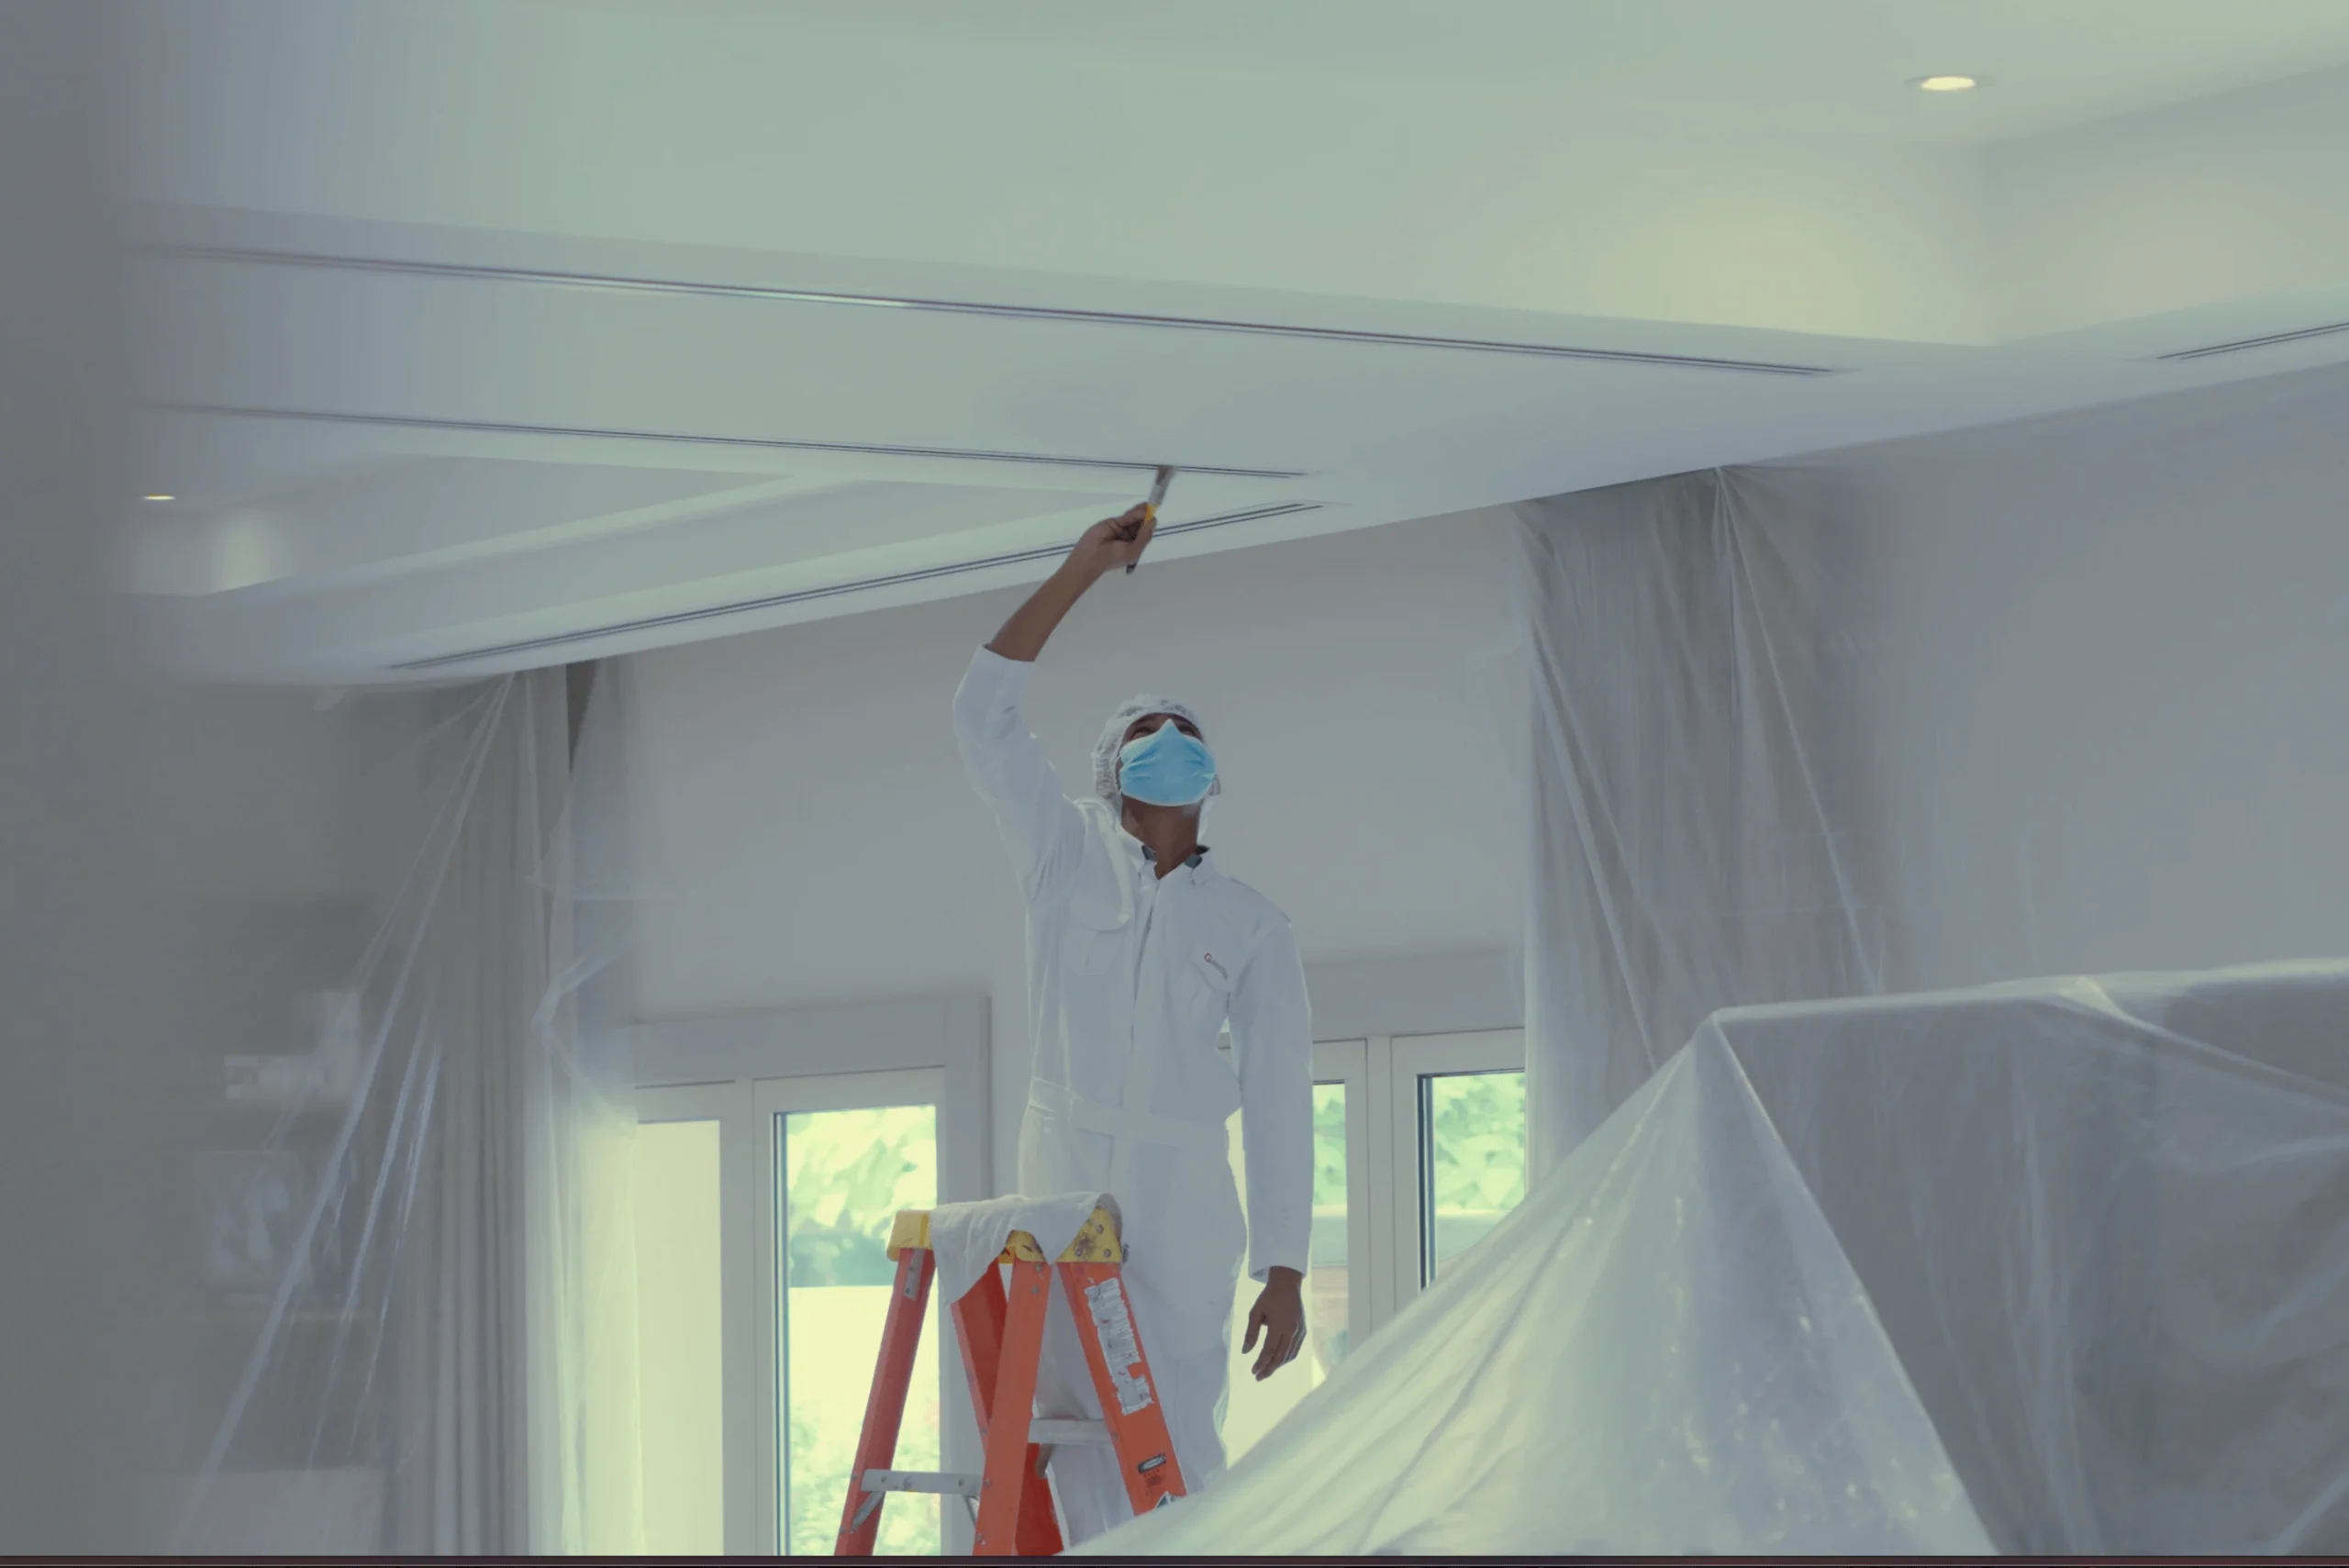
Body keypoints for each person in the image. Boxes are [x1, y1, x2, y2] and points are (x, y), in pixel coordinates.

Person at [952, 499, 1314, 1543]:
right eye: (1146, 735)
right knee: (1068, 1434)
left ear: (1210, 782)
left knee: (1175, 1438)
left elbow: (1280, 1091)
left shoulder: (1247, 922)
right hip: (1062, 1176)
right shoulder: (1058, 858)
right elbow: (981, 718)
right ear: (1110, 770)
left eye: (1186, 736)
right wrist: (1076, 570)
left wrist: (1283, 1264)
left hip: (1185, 1200)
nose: (1169, 746)